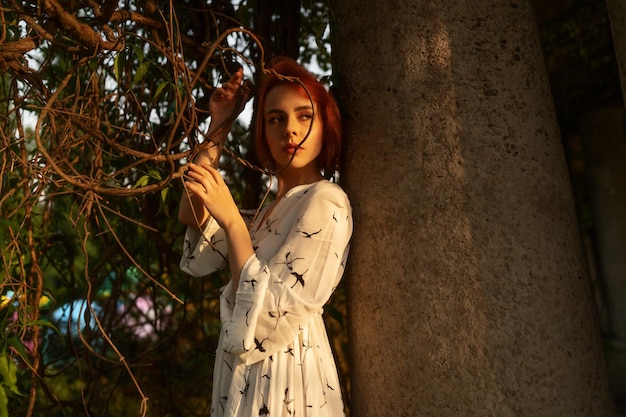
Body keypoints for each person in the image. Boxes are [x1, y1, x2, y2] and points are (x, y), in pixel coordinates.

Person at [178, 57, 352, 417]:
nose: (290, 129)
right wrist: (220, 124)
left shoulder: (326, 199)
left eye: (305, 116)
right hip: (244, 377)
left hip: (289, 380)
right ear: (263, 131)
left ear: (325, 126)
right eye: (276, 119)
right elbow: (191, 216)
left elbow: (266, 317)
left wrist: (231, 221)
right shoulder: (262, 215)